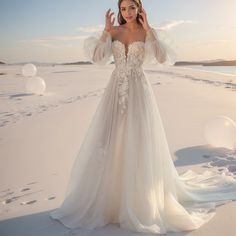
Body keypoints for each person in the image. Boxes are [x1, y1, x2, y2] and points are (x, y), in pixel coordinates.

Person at [50, 0, 236, 234]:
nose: (127, 12)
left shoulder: (147, 31)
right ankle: (111, 197)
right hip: (115, 90)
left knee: (138, 139)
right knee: (111, 139)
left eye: (131, 7)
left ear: (139, 9)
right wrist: (105, 31)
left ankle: (139, 198)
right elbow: (98, 59)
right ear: (119, 11)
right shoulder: (114, 31)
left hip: (139, 90)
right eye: (123, 8)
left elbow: (161, 58)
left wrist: (148, 30)